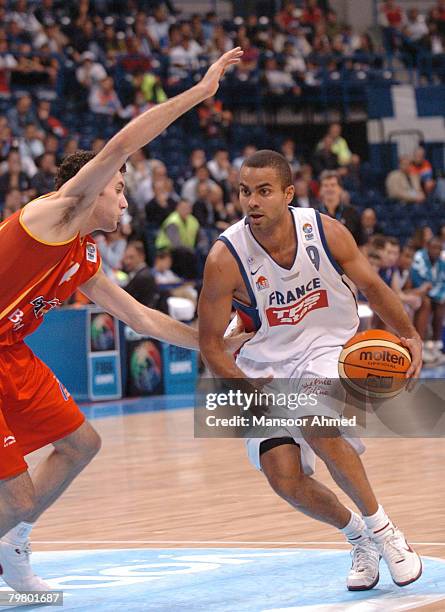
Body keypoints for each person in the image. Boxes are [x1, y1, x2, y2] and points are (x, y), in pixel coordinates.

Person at [0, 47, 245, 592]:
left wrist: (215, 344)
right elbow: (123, 143)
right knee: (14, 495)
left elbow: (142, 317)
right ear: (93, 188)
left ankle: (12, 544)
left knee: (82, 444)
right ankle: (11, 529)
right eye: (118, 190)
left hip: (8, 353)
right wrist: (201, 93)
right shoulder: (57, 213)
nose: (125, 202)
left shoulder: (84, 255)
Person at [198, 149, 423, 592]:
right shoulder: (225, 257)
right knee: (283, 477)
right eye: (245, 192)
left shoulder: (325, 231)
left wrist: (410, 333)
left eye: (263, 191)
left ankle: (385, 531)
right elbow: (210, 345)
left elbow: (373, 287)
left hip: (328, 347)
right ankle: (358, 537)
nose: (252, 202)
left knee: (316, 423)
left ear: (288, 193)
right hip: (264, 364)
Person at [315, 170, 362, 244]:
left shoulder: (352, 212)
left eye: (333, 185)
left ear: (340, 189)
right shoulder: (313, 214)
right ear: (320, 190)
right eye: (325, 185)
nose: (329, 189)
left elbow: (361, 243)